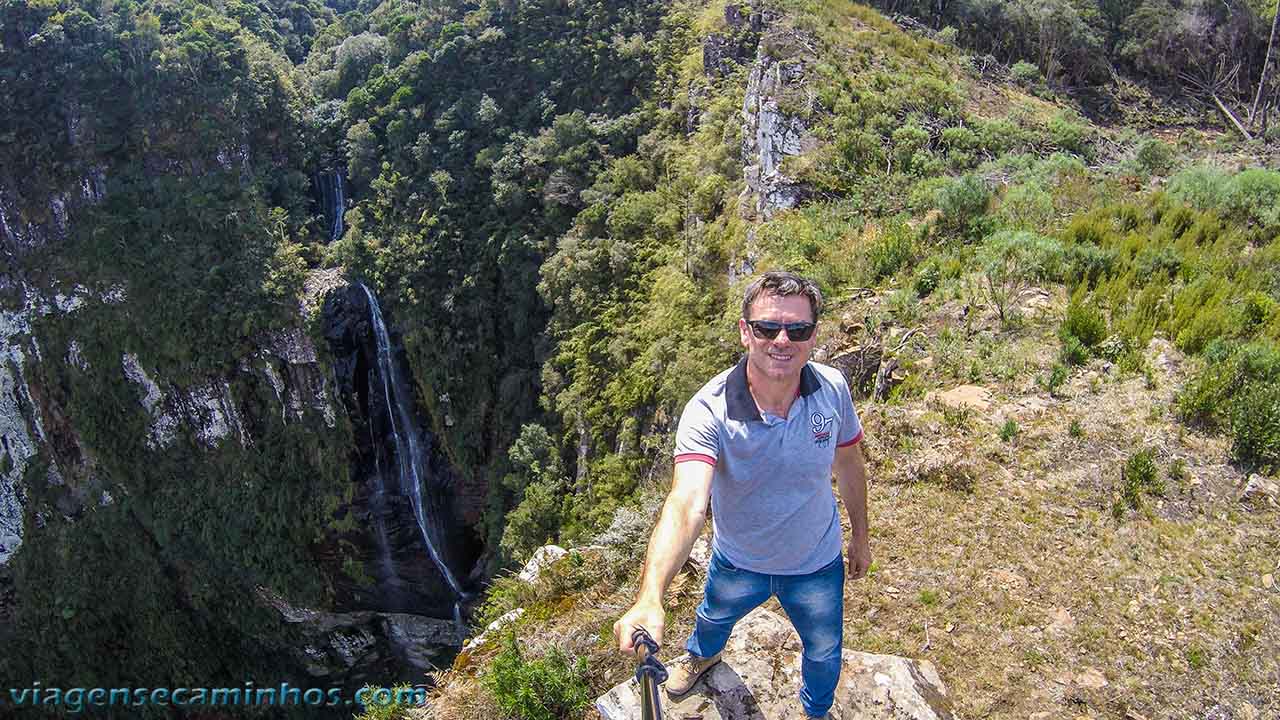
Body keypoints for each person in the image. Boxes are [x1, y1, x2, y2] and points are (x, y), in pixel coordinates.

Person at [612, 270, 872, 719]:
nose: (782, 340)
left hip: (816, 561)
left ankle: (817, 710)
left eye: (798, 329)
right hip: (738, 560)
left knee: (825, 651)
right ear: (745, 332)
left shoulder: (832, 389)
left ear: (813, 336)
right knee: (712, 620)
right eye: (768, 327)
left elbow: (849, 463)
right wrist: (650, 594)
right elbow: (687, 502)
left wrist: (861, 536)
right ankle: (703, 656)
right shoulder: (709, 409)